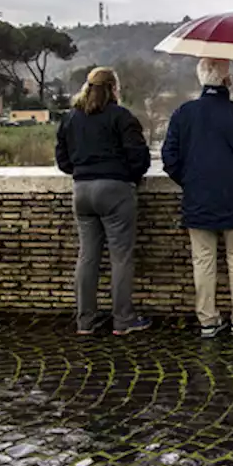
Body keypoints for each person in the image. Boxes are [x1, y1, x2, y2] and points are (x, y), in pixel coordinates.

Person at [162, 57, 233, 339]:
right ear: (226, 80)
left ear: (201, 79)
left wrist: (190, 181)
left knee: (203, 260)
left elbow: (169, 158)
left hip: (197, 198)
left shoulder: (183, 114)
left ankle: (208, 320)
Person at [55, 67, 152, 336]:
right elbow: (139, 158)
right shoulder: (121, 117)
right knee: (120, 257)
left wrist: (83, 171)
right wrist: (126, 176)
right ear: (112, 89)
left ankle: (85, 320)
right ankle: (123, 320)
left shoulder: (71, 118)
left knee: (87, 256)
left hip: (82, 191)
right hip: (115, 190)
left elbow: (63, 160)